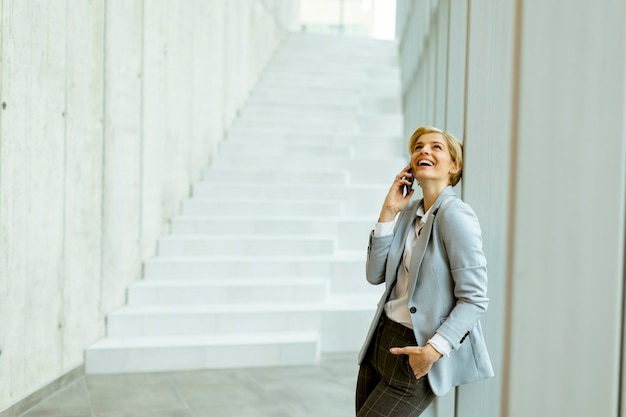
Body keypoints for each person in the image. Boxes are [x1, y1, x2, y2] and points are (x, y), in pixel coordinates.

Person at [355, 126, 494, 416]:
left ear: (454, 166)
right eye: (418, 147)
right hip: (380, 344)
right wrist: (388, 212)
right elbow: (374, 275)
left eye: (436, 147)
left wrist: (432, 352)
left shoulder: (455, 215)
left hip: (415, 351)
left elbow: (475, 298)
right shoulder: (409, 213)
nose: (424, 151)